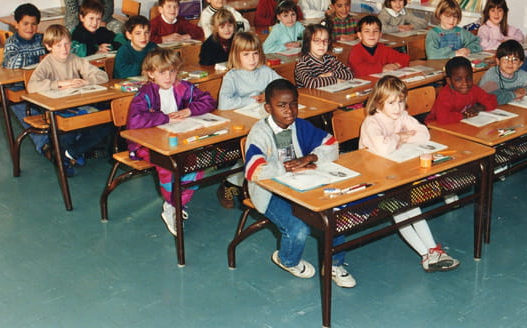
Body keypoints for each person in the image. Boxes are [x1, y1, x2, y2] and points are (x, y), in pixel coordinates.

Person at [244, 78, 356, 287]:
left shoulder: (300, 125)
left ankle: (334, 263)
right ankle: (287, 259)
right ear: (268, 108)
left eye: (293, 104)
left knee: (335, 212)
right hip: (269, 191)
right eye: (281, 105)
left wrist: (310, 158)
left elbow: (331, 144)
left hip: (301, 184)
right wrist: (287, 167)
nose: (289, 111)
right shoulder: (259, 133)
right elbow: (254, 169)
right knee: (298, 229)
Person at [360, 76, 460, 272]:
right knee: (401, 210)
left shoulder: (401, 116)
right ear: (378, 103)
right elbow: (384, 148)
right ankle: (427, 255)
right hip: (374, 180)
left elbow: (424, 134)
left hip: (394, 173)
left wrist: (398, 139)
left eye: (401, 101)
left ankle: (432, 250)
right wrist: (400, 136)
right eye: (391, 103)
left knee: (411, 206)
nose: (397, 108)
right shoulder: (372, 122)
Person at [126, 47, 217, 236]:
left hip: (179, 140)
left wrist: (189, 110)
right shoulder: (145, 93)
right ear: (151, 73)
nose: (168, 77)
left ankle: (174, 205)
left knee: (197, 163)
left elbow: (209, 101)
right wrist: (165, 118)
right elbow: (134, 120)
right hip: (148, 144)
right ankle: (174, 205)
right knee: (168, 166)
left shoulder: (182, 87)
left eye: (172, 71)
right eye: (162, 72)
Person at [26, 24, 109, 175]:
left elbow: (102, 76)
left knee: (106, 121)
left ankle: (71, 153)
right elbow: (32, 86)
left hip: (79, 105)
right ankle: (70, 155)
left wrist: (87, 81)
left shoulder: (74, 59)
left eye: (67, 44)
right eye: (58, 45)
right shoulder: (47, 63)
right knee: (65, 130)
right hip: (59, 110)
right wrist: (59, 84)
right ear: (49, 47)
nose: (64, 49)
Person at [217, 32, 282, 208]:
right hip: (242, 123)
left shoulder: (265, 71)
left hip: (263, 120)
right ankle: (231, 183)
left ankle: (267, 182)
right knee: (256, 148)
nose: (252, 59)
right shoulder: (232, 76)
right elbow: (223, 103)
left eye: (255, 53)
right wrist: (252, 99)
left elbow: (283, 86)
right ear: (236, 55)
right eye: (246, 54)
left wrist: (268, 94)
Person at [2, 3, 49, 156]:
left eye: (34, 24)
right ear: (16, 24)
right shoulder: (12, 42)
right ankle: (45, 145)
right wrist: (39, 58)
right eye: (25, 23)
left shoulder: (42, 39)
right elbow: (12, 63)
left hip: (41, 85)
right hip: (18, 87)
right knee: (27, 113)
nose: (30, 28)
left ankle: (65, 140)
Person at [425, 56, 497, 125]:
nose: (465, 83)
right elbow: (443, 118)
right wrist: (464, 115)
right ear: (449, 81)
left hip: (460, 124)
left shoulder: (473, 89)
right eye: (458, 79)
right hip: (436, 126)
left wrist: (480, 108)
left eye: (468, 78)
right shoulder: (446, 95)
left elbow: (492, 100)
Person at [479, 39, 527, 105]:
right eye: (506, 59)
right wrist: (513, 94)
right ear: (498, 61)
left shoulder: (521, 75)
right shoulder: (492, 75)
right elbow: (486, 98)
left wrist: (525, 90)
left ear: (520, 63)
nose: (510, 63)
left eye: (515, 59)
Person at [294, 24, 354, 88]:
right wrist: (336, 80)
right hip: (310, 94)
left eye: (325, 41)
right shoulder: (303, 63)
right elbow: (311, 83)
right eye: (317, 41)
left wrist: (331, 74)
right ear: (308, 43)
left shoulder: (330, 59)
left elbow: (350, 74)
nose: (322, 44)